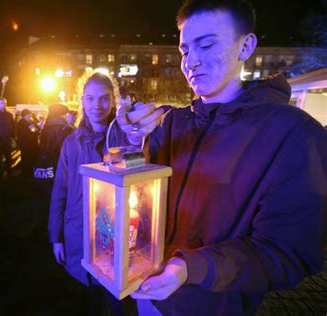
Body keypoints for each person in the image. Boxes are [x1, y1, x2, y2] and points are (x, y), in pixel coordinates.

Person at [116, 0, 327, 315]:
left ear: (246, 46)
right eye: (185, 50)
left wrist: (192, 268)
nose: (192, 62)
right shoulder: (172, 122)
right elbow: (131, 182)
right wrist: (130, 137)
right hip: (149, 293)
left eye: (207, 45)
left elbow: (289, 252)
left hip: (215, 305)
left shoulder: (295, 135)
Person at [48, 72, 135, 315]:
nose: (97, 106)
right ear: (82, 101)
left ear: (114, 100)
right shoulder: (71, 143)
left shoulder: (126, 139)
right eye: (90, 98)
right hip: (79, 233)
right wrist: (56, 236)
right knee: (89, 300)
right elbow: (60, 191)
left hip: (114, 234)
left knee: (120, 301)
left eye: (104, 98)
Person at [34, 103, 74, 195]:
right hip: (62, 163)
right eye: (65, 113)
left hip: (48, 163)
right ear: (61, 114)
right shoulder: (67, 129)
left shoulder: (46, 127)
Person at [16, 109, 40, 178]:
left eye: (29, 114)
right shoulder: (21, 123)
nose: (29, 116)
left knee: (33, 158)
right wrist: (30, 130)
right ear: (24, 116)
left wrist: (36, 129)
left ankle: (32, 171)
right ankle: (25, 173)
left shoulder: (31, 121)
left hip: (33, 144)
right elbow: (22, 134)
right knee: (26, 158)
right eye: (27, 115)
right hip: (26, 144)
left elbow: (37, 130)